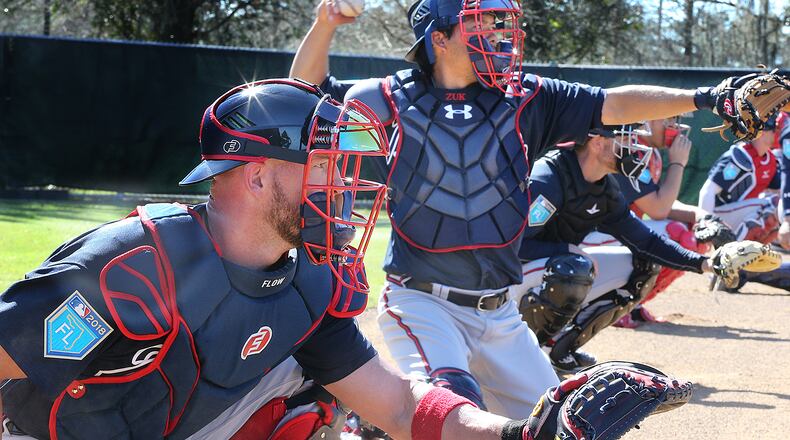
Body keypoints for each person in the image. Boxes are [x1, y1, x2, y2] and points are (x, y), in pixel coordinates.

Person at [0, 78, 691, 440]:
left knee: (315, 394)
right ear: (259, 173)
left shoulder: (309, 279)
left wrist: (523, 433)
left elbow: (397, 406)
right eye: (329, 167)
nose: (349, 187)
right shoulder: (132, 266)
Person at [290, 0, 774, 417]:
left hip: (500, 314)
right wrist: (326, 24)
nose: (498, 36)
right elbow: (304, 97)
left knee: (560, 426)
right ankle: (381, 421)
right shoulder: (389, 98)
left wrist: (708, 96)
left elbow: (614, 104)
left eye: (500, 23)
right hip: (423, 304)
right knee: (454, 409)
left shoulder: (525, 98)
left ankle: (385, 420)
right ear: (438, 37)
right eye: (480, 24)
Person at [512, 125, 737, 372]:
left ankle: (558, 350)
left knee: (643, 264)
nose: (633, 146)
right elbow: (512, 244)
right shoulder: (549, 178)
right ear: (597, 143)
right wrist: (564, 249)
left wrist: (705, 263)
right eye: (623, 139)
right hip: (501, 281)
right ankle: (522, 354)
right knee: (572, 266)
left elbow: (645, 241)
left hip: (544, 269)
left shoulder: (603, 185)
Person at [698, 113, 781, 244]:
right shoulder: (740, 158)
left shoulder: (770, 160)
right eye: (775, 130)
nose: (778, 134)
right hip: (718, 214)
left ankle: (754, 253)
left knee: (780, 206)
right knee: (769, 205)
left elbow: (780, 192)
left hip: (740, 215)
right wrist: (705, 224)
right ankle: (735, 251)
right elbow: (707, 191)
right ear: (762, 132)